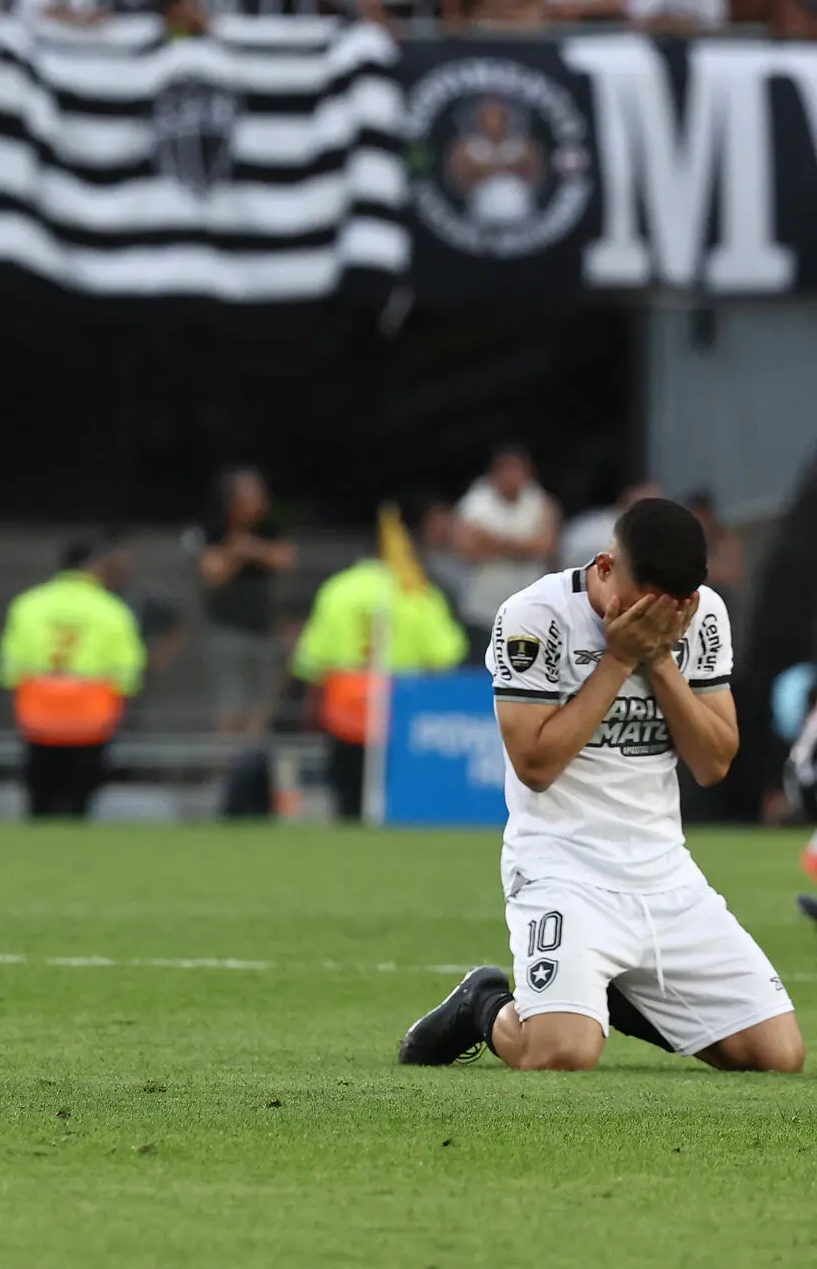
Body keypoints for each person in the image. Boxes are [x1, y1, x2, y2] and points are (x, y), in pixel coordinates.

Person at [398, 498, 804, 1074]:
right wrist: (617, 661)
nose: (659, 616)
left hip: (666, 875)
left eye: (676, 605)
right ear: (605, 567)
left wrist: (659, 661)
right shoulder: (535, 616)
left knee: (777, 1058)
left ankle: (607, 992)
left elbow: (714, 763)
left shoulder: (703, 616)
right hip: (562, 870)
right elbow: (535, 766)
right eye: (643, 603)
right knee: (562, 1053)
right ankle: (483, 1005)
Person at [291, 504, 469, 820]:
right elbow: (447, 656)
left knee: (348, 806)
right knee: (400, 807)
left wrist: (312, 713)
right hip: (403, 711)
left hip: (345, 713)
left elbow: (312, 661)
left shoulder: (338, 589)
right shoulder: (417, 591)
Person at [0, 541, 146, 820]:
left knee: (40, 799)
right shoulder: (112, 610)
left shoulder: (28, 604)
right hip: (90, 717)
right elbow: (129, 672)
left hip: (40, 714)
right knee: (79, 803)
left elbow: (10, 668)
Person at [197, 467, 296, 737]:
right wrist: (236, 552)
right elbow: (213, 573)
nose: (259, 501)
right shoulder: (214, 530)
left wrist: (251, 548)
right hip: (227, 629)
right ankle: (224, 768)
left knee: (262, 703)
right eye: (251, 495)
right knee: (229, 703)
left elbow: (285, 559)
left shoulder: (269, 528)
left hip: (264, 630)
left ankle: (251, 766)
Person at [452, 445, 559, 654]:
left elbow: (547, 548)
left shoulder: (542, 502)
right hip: (482, 613)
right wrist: (524, 545)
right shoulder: (473, 503)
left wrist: (491, 541)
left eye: (517, 469)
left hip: (530, 613)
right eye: (505, 469)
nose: (511, 476)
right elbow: (467, 551)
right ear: (494, 472)